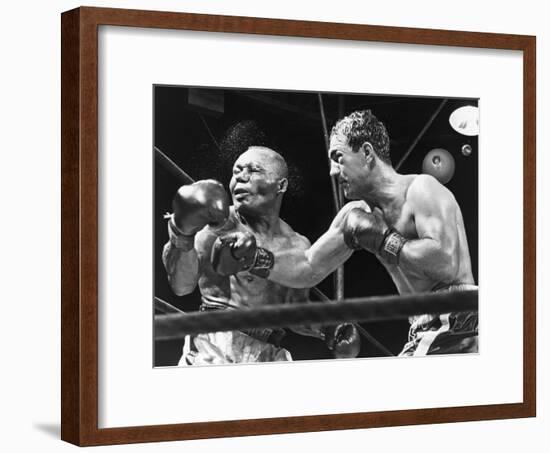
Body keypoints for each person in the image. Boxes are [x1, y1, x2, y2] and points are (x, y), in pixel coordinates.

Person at [217, 111, 478, 357]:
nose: (332, 171)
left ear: (366, 152)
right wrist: (254, 257)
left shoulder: (421, 188)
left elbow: (445, 263)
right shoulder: (355, 213)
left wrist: (385, 239)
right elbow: (308, 267)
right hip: (422, 328)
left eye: (338, 158)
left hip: (459, 321)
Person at [162, 146, 360, 365]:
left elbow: (293, 311)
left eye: (253, 170)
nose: (241, 179)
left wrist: (326, 328)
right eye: (236, 172)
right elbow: (181, 286)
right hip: (215, 341)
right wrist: (181, 234)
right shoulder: (217, 225)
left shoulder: (296, 244)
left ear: (281, 185)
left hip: (268, 349)